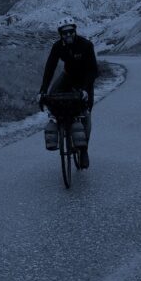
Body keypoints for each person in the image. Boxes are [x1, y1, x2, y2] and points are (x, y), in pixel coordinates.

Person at [39, 16, 98, 169]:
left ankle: (84, 151)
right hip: (68, 76)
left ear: (74, 31)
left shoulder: (86, 45)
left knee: (85, 114)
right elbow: (50, 68)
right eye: (64, 33)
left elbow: (93, 71)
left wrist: (85, 90)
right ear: (60, 34)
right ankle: (58, 123)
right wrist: (42, 90)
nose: (68, 35)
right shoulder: (58, 46)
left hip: (85, 80)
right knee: (51, 97)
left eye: (70, 32)